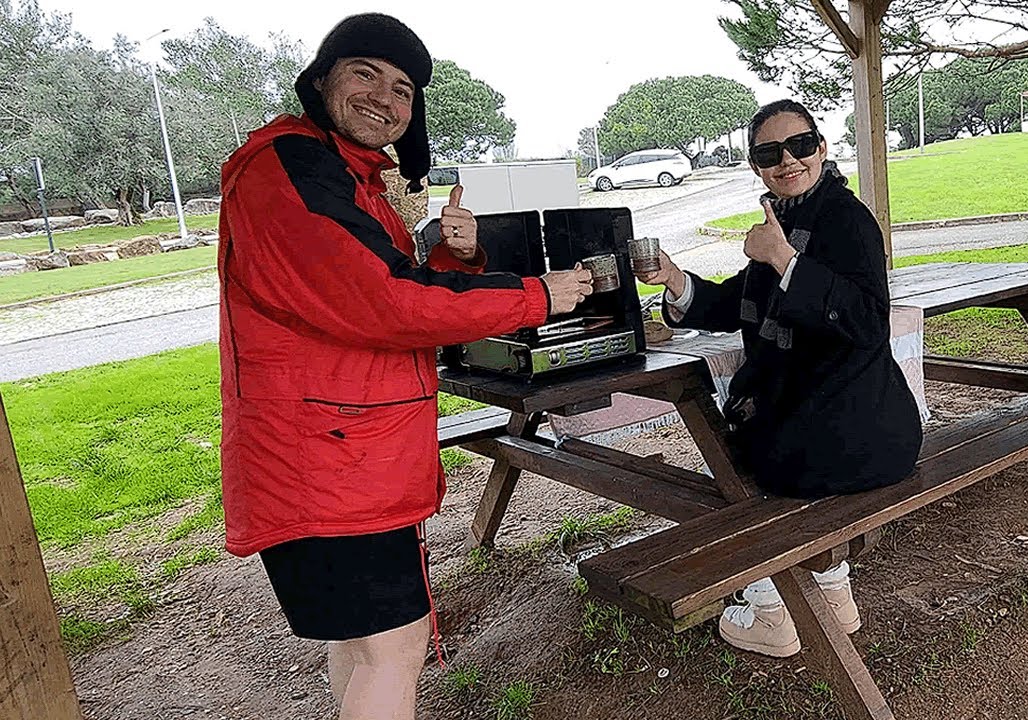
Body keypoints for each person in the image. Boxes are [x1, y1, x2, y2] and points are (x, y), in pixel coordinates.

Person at [216, 13, 592, 720]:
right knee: (395, 647)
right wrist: (536, 295)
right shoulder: (289, 165)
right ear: (321, 80)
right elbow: (383, 299)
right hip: (330, 459)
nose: (384, 98)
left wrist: (452, 257)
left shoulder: (343, 175)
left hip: (348, 450)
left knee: (364, 645)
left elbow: (380, 289)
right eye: (365, 74)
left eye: (402, 89)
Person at [635, 99, 923, 659]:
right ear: (755, 165)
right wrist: (674, 279)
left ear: (821, 147)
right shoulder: (791, 217)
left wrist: (787, 260)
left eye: (800, 145)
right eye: (770, 153)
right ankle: (834, 597)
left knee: (734, 466)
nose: (787, 160)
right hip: (868, 432)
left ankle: (772, 614)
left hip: (849, 442)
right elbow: (737, 303)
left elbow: (867, 323)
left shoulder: (845, 219)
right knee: (762, 431)